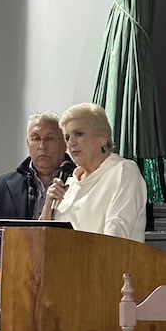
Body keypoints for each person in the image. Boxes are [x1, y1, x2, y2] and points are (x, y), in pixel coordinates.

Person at [41, 103, 147, 242]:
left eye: (79, 134)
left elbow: (116, 237)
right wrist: (48, 208)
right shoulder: (69, 184)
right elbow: (42, 241)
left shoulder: (123, 171)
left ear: (103, 137)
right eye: (67, 137)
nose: (71, 143)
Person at [0, 112, 75, 221]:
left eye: (50, 138)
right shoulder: (4, 185)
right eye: (35, 138)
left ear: (65, 144)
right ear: (28, 144)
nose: (42, 146)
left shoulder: (80, 181)